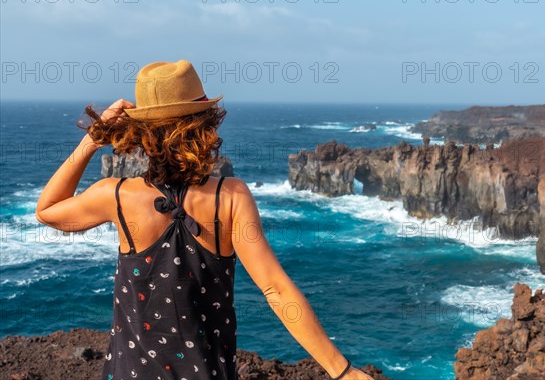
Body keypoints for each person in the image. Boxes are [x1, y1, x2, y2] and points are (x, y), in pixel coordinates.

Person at [35, 60, 375, 380]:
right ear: (204, 126)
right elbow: (275, 289)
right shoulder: (230, 196)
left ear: (142, 133)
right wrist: (342, 371)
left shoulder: (117, 195)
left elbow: (48, 210)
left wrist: (93, 139)